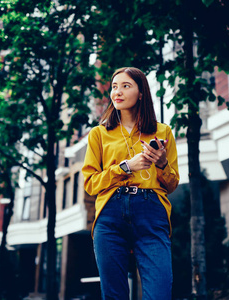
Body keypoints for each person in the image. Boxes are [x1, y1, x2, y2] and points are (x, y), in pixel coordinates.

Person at [82, 67, 180, 299]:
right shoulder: (99, 134)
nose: (118, 92)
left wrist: (162, 163)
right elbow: (91, 183)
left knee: (159, 293)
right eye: (115, 87)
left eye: (126, 86)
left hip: (151, 211)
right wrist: (126, 167)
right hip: (110, 214)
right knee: (114, 295)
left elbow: (172, 184)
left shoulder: (162, 131)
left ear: (141, 93)